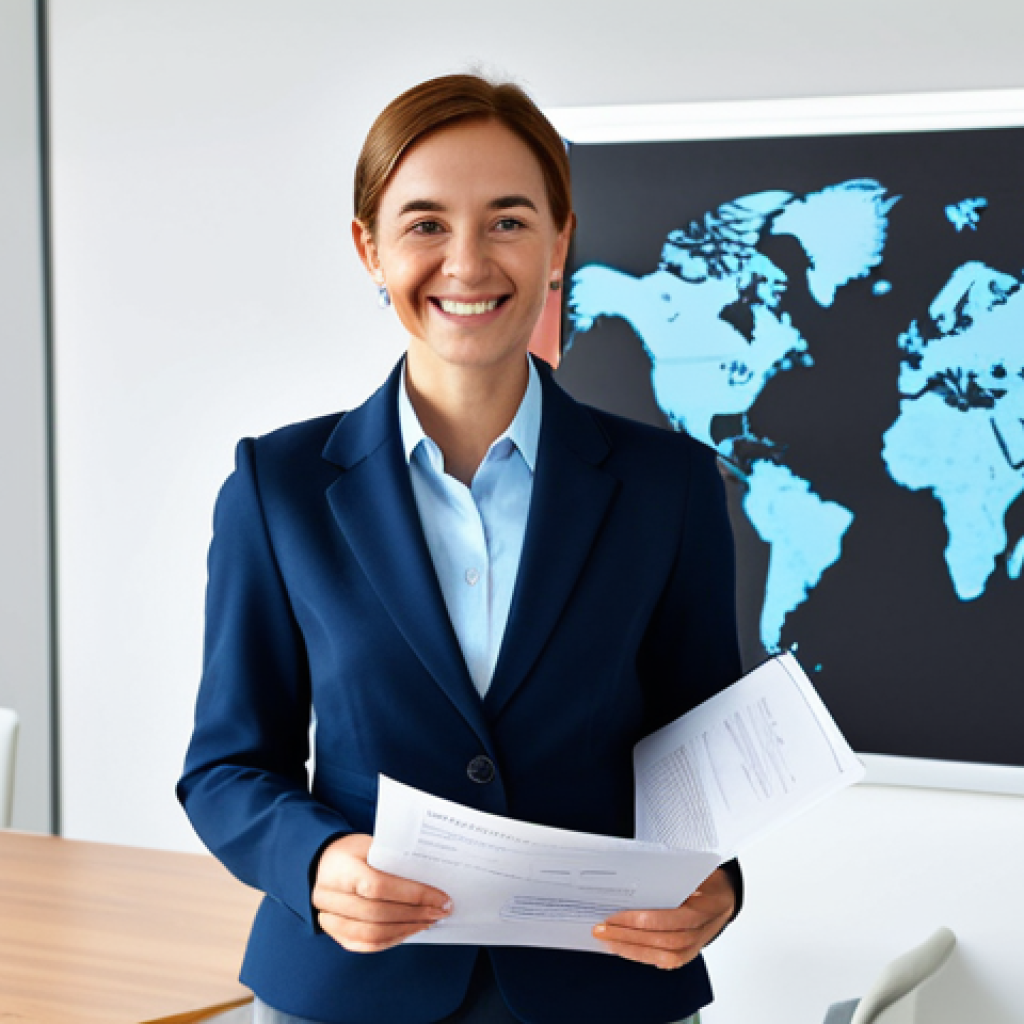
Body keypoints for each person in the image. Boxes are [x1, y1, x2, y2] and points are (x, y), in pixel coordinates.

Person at [178, 73, 743, 1024]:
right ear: (370, 248)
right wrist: (317, 862)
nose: (468, 263)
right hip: (348, 989)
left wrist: (718, 884)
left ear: (560, 241)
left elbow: (704, 752)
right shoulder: (277, 488)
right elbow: (227, 767)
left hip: (604, 984)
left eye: (509, 221)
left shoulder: (670, 485)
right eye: (426, 224)